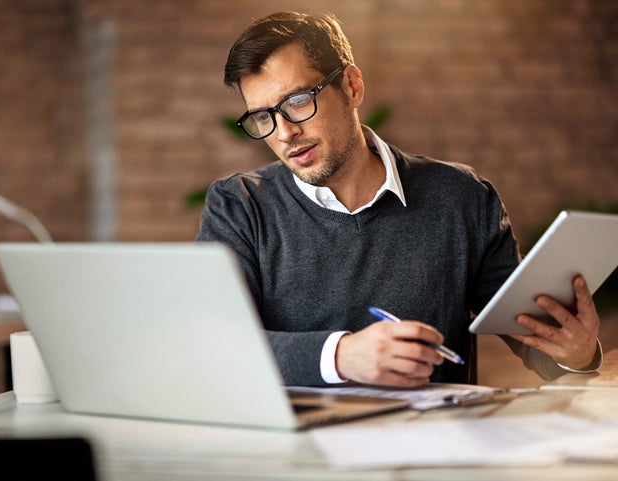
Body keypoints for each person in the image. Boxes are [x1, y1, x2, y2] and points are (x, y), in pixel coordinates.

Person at [196, 11, 603, 387]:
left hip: (432, 450)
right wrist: (340, 356)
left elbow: (536, 343)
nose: (284, 133)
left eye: (298, 101)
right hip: (302, 457)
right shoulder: (239, 206)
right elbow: (211, 343)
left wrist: (576, 354)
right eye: (264, 117)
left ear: (352, 87)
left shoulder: (462, 198)